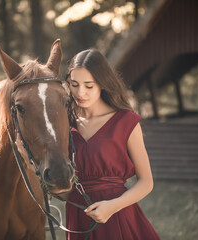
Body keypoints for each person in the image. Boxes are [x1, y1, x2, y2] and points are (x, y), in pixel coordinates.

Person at [64, 49, 160, 240]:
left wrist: (112, 207)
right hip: (78, 216)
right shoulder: (65, 123)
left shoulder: (126, 121)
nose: (80, 92)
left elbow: (146, 182)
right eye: (74, 84)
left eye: (88, 86)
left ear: (102, 84)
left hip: (116, 215)